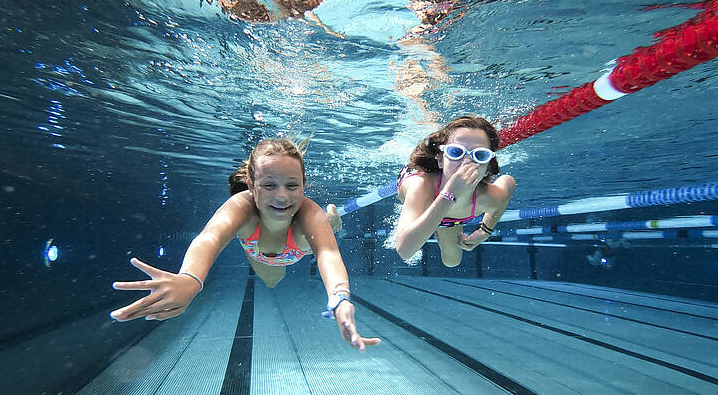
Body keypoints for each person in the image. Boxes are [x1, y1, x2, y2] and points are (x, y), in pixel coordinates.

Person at [110, 138, 380, 352]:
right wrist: (190, 278)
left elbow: (328, 253)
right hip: (259, 254)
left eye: (292, 185)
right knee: (272, 282)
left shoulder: (308, 212)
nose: (282, 195)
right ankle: (322, 224)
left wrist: (340, 297)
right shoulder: (242, 207)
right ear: (251, 185)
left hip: (299, 247)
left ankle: (332, 218)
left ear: (304, 185)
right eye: (269, 185)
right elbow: (210, 237)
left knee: (322, 228)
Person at [395, 115, 516, 266]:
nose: (466, 162)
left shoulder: (487, 198)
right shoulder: (420, 186)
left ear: (487, 168)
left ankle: (436, 225)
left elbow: (509, 183)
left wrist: (485, 230)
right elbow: (404, 251)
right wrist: (449, 194)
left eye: (480, 155)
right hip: (424, 189)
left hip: (451, 216)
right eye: (455, 152)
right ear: (440, 159)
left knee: (452, 261)